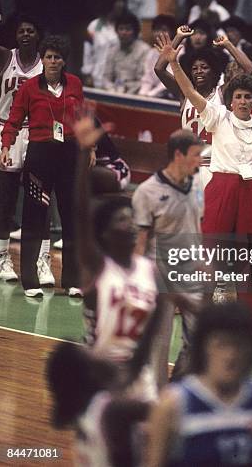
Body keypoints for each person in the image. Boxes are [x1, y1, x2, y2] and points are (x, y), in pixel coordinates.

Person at [163, 44, 252, 348]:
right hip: (220, 189)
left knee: (249, 265)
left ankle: (246, 334)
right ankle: (200, 326)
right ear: (230, 100)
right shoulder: (218, 118)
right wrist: (175, 64)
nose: (243, 101)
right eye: (238, 97)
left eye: (247, 97)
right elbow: (191, 93)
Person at [72, 115, 159, 401]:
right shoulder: (97, 267)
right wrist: (85, 153)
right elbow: (81, 214)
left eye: (132, 218)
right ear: (106, 233)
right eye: (122, 220)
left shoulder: (148, 270)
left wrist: (135, 371)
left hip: (137, 373)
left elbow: (151, 333)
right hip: (100, 372)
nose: (131, 224)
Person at [147, 302, 252, 467]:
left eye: (239, 345)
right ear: (203, 347)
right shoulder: (172, 405)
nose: (230, 355)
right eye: (221, 345)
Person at [0, 35, 87, 297]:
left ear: (63, 61)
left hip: (69, 156)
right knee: (35, 217)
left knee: (71, 218)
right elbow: (13, 120)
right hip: (39, 156)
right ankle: (30, 280)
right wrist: (6, 147)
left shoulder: (75, 84)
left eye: (57, 57)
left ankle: (72, 280)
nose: (52, 61)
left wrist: (90, 148)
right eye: (48, 57)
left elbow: (82, 119)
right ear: (44, 60)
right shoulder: (29, 88)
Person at [132, 129, 204, 388]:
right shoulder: (147, 192)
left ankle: (179, 388)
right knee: (158, 345)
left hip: (192, 272)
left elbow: (197, 227)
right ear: (178, 154)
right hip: (159, 276)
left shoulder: (197, 184)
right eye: (196, 155)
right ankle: (159, 400)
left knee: (200, 338)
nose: (200, 161)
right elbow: (140, 243)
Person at [155, 27, 252, 188]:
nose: (199, 71)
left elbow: (249, 70)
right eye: (194, 68)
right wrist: (178, 37)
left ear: (214, 72)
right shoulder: (184, 94)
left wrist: (228, 45)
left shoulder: (223, 94)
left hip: (215, 165)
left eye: (204, 67)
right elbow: (159, 69)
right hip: (188, 165)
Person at [0, 16, 53, 284]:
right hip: (5, 130)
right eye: (21, 30)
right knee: (5, 200)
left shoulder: (48, 64)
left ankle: (43, 260)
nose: (26, 34)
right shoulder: (6, 58)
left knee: (38, 200)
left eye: (31, 30)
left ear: (38, 35)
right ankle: (2, 257)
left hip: (36, 133)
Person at [47, 340, 152, 466]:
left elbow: (132, 371)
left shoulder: (83, 416)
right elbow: (170, 408)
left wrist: (153, 324)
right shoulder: (112, 410)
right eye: (89, 354)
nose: (97, 353)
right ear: (87, 372)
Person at [81, 0, 124, 88]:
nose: (119, 9)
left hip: (117, 79)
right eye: (117, 7)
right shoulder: (94, 25)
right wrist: (88, 74)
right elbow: (88, 52)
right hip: (97, 77)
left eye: (121, 7)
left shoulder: (123, 27)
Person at [103, 11, 150, 95]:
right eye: (121, 29)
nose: (124, 33)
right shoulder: (112, 50)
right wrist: (112, 91)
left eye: (128, 29)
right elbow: (106, 78)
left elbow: (144, 80)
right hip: (114, 93)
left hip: (136, 94)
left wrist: (127, 92)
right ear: (116, 31)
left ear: (135, 32)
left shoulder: (144, 50)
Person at [138, 14, 176, 98]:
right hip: (153, 95)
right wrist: (142, 94)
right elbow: (147, 78)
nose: (159, 33)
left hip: (172, 96)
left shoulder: (179, 52)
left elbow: (168, 80)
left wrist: (151, 95)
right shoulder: (151, 52)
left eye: (164, 30)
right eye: (156, 30)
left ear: (172, 32)